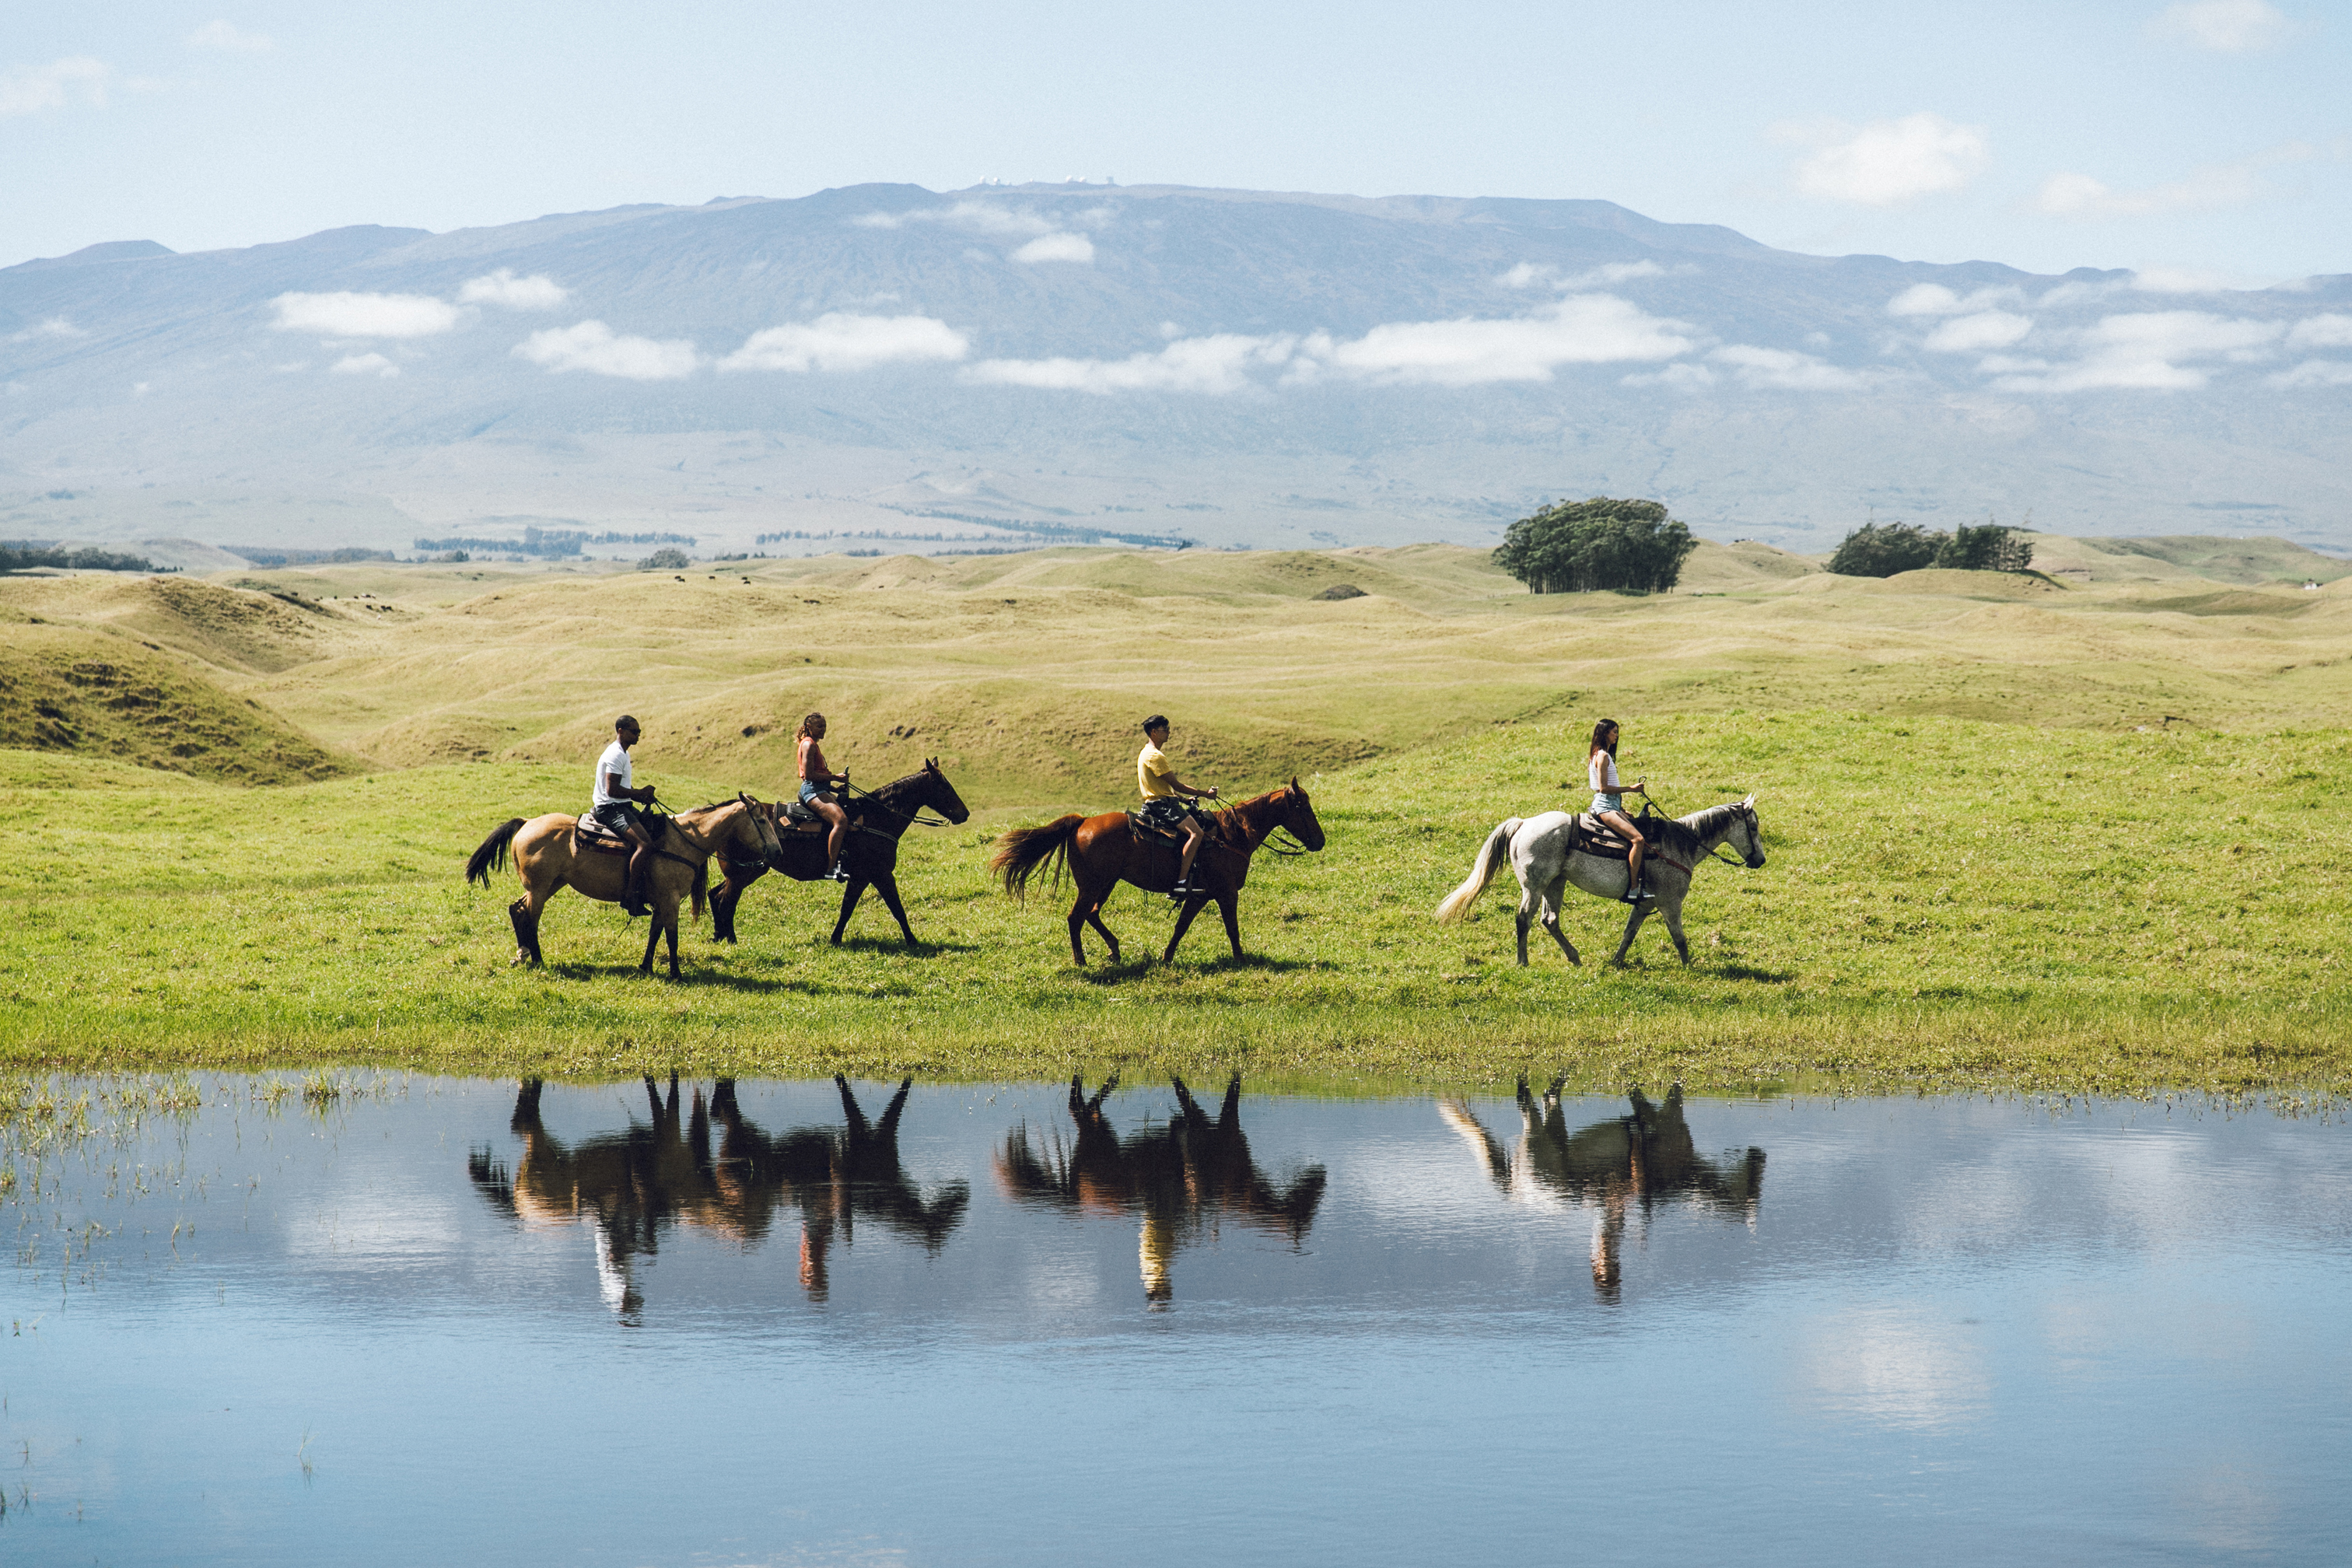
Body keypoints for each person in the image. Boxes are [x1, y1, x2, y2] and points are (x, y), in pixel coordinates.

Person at [1137, 715, 1220, 897]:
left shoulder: (1145, 752)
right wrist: (1206, 794)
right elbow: (1177, 786)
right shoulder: (1155, 756)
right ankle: (1181, 883)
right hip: (1163, 806)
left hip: (1160, 802)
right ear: (1154, 732)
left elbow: (1164, 788)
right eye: (1165, 729)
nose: (1169, 732)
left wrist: (1184, 800)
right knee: (1197, 833)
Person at [588, 715, 660, 917]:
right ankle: (630, 895)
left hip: (621, 806)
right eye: (634, 731)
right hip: (610, 809)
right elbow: (612, 790)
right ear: (620, 731)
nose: (638, 735)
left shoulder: (623, 753)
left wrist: (639, 796)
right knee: (645, 844)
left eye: (639, 732)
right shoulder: (616, 755)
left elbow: (621, 789)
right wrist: (639, 793)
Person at [1587, 718, 1654, 903]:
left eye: (1617, 732)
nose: (1617, 735)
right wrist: (1631, 789)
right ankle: (1634, 889)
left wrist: (1621, 809)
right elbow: (1603, 788)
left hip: (1611, 805)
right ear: (1604, 733)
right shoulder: (1602, 756)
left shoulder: (1598, 754)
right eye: (1614, 732)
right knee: (1638, 840)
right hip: (1605, 806)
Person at [796, 712, 852, 881]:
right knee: (841, 821)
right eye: (819, 726)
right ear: (809, 727)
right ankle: (830, 869)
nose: (823, 730)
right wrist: (836, 777)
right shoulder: (809, 745)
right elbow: (809, 775)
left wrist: (836, 788)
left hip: (819, 789)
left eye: (825, 726)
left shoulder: (812, 744)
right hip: (812, 791)